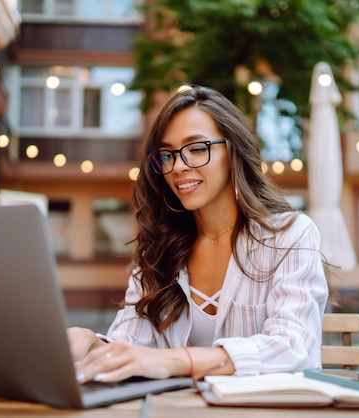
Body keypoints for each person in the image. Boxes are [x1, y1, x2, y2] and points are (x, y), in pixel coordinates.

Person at [69, 85, 329, 384]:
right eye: (167, 155)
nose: (178, 166)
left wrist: (176, 360)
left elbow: (292, 348)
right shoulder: (158, 251)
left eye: (196, 149)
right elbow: (130, 348)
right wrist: (89, 341)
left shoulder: (289, 236)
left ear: (233, 152)